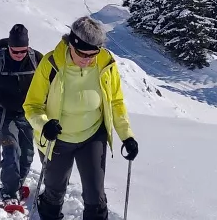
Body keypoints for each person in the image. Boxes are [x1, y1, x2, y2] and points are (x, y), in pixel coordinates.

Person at [24, 16, 138, 220]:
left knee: (95, 194)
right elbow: (32, 105)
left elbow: (116, 102)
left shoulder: (106, 65)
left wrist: (127, 136)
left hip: (92, 135)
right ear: (71, 45)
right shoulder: (51, 64)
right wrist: (44, 124)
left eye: (93, 54)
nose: (87, 59)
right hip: (57, 139)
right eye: (82, 54)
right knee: (55, 190)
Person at [0, 24, 43, 205]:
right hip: (4, 113)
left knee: (27, 154)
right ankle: (9, 193)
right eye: (16, 51)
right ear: (9, 47)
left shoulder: (36, 58)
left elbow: (51, 80)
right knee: (11, 150)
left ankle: (16, 185)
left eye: (23, 51)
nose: (19, 55)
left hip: (29, 113)